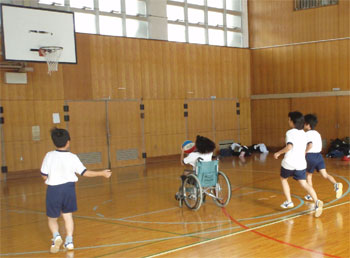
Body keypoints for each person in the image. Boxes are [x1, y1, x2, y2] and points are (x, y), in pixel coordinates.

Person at [41, 128, 112, 253]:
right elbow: (85, 173)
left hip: (53, 190)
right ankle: (69, 241)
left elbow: (44, 175)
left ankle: (56, 236)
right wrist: (102, 173)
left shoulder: (49, 156)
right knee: (68, 216)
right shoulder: (72, 157)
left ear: (54, 142)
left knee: (52, 218)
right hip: (69, 189)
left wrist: (49, 177)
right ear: (68, 142)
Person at [274, 111, 323, 217]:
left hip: (289, 162)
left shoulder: (290, 132)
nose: (288, 121)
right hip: (301, 163)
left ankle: (289, 201)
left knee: (283, 179)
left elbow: (289, 147)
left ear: (292, 122)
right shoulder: (304, 134)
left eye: (289, 119)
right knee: (304, 183)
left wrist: (278, 153)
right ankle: (316, 201)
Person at [303, 114, 343, 201]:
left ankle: (310, 195)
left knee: (309, 176)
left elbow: (310, 144)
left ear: (307, 124)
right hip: (319, 156)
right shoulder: (317, 133)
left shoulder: (306, 134)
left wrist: (304, 152)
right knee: (325, 174)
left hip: (310, 156)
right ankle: (335, 184)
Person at [175, 135, 216, 200]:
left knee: (185, 173)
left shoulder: (193, 155)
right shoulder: (210, 152)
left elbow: (182, 163)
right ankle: (198, 192)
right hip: (210, 176)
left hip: (199, 178)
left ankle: (183, 192)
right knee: (196, 172)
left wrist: (182, 152)